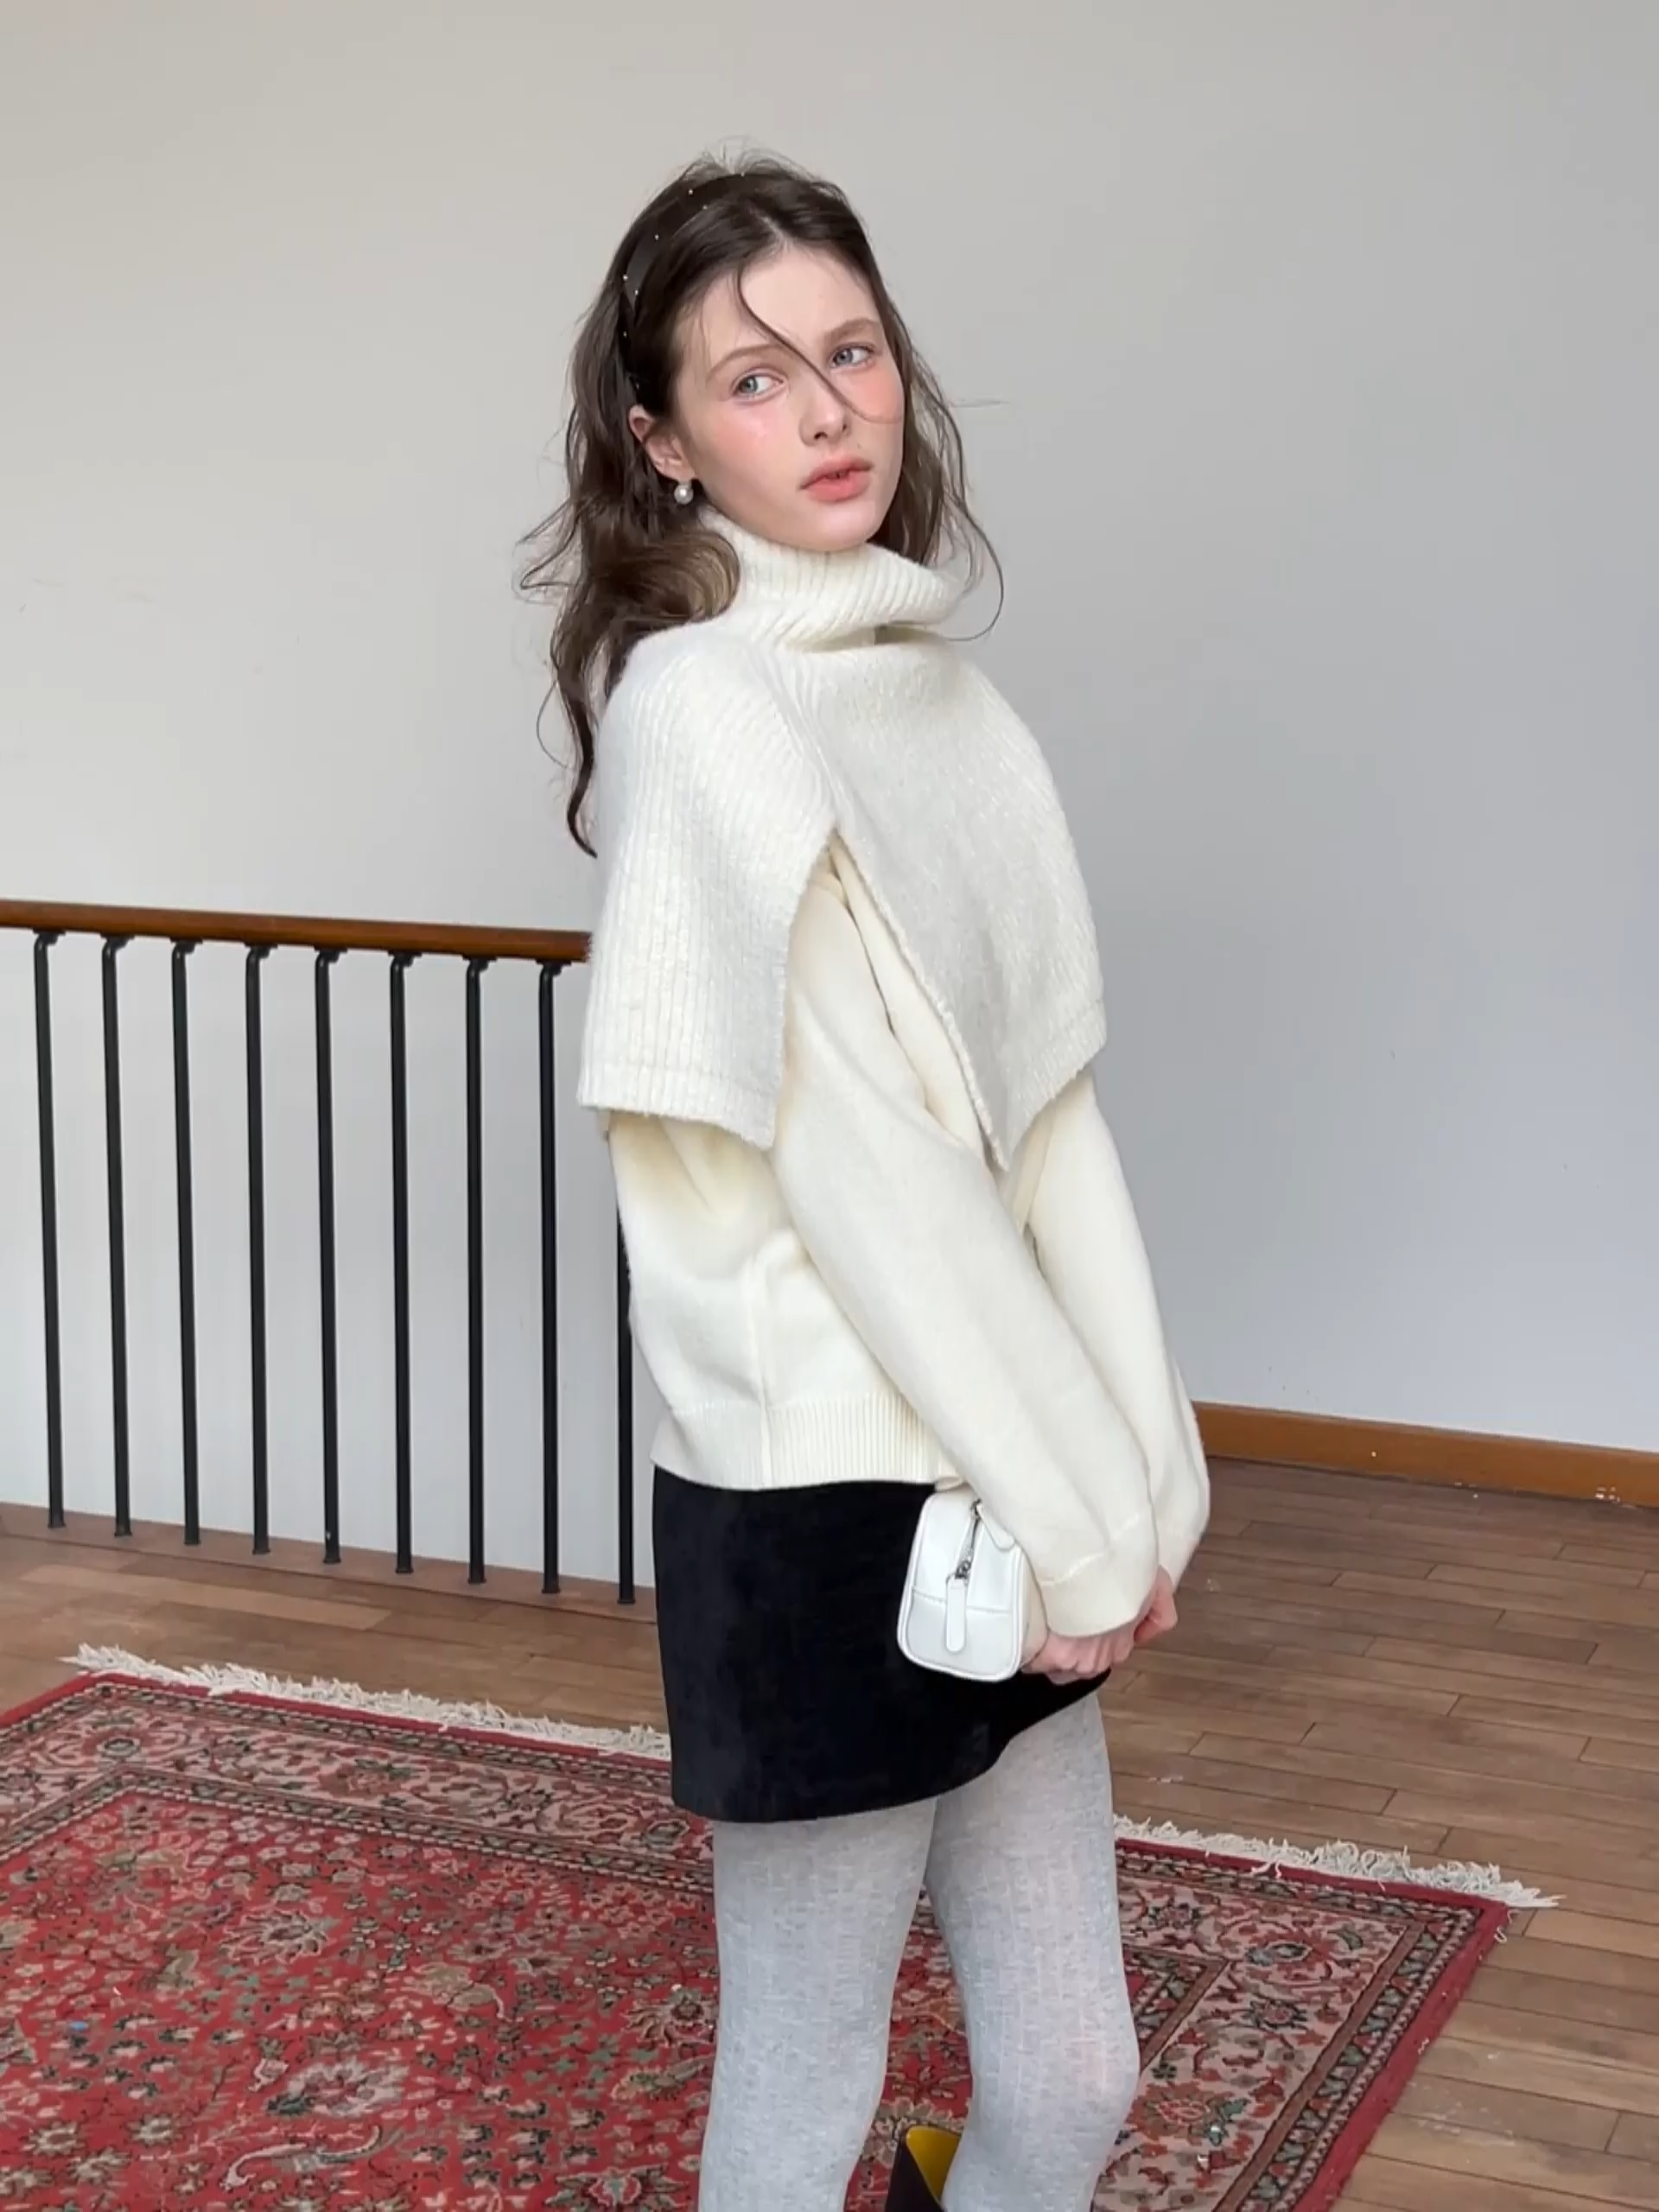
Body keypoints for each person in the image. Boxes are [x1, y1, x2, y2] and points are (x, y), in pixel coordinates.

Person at [524, 153, 1210, 2212]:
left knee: (1074, 2076)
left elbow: (1045, 1118)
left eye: (853, 351)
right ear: (663, 440)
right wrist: (1085, 1519)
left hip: (1005, 1467)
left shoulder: (943, 700)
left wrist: (1139, 1476)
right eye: (755, 379)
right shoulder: (708, 711)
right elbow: (875, 1184)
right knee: (802, 2096)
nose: (829, 413)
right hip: (826, 1507)